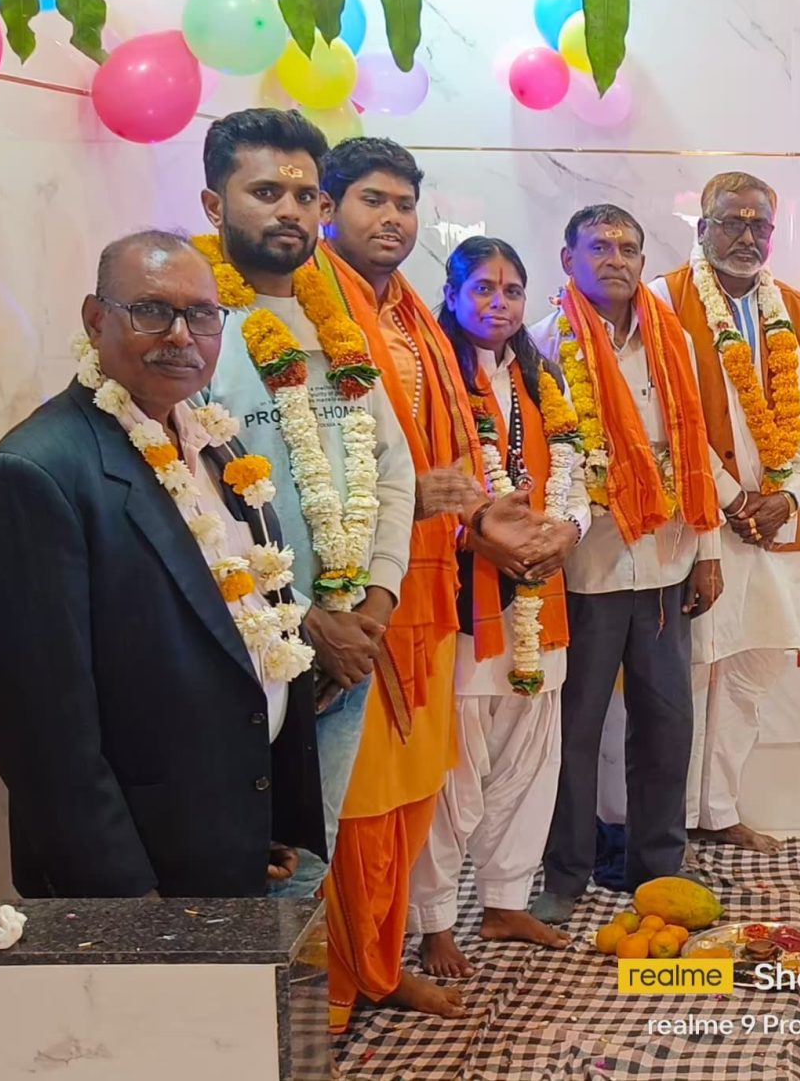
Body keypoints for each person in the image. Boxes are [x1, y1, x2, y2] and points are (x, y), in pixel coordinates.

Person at [0, 231, 320, 898]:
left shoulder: (212, 440)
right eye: (152, 310)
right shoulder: (38, 473)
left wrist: (264, 817)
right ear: (96, 319)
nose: (181, 336)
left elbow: (243, 629)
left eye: (202, 314)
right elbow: (43, 735)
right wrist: (128, 904)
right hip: (140, 870)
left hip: (229, 833)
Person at [315, 140, 575, 1024]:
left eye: (404, 204)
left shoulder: (417, 324)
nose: (392, 218)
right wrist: (446, 514)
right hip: (374, 594)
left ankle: (392, 955)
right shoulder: (317, 310)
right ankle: (361, 968)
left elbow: (459, 459)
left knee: (428, 784)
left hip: (440, 583)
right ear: (330, 209)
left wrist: (514, 524)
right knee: (383, 793)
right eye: (372, 200)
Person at [196, 110, 418, 904]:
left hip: (347, 646)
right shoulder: (196, 328)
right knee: (241, 869)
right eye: (265, 191)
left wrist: (373, 608)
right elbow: (192, 504)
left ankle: (304, 991)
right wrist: (301, 620)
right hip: (242, 652)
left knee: (309, 859)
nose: (289, 210)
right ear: (214, 205)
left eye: (304, 194)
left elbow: (393, 470)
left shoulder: (339, 323)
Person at [533, 204, 725, 923]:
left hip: (668, 561)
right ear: (568, 259)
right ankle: (565, 874)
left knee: (667, 724)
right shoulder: (544, 342)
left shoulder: (671, 338)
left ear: (643, 261)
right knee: (575, 728)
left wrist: (708, 552)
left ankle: (658, 866)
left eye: (628, 248)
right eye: (599, 247)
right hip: (586, 568)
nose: (615, 259)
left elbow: (694, 443)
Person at [410, 236, 590, 980]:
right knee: (456, 770)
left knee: (531, 756)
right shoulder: (430, 374)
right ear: (452, 295)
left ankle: (506, 900)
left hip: (541, 595)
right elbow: (417, 483)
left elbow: (577, 471)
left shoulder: (541, 378)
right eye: (482, 288)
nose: (499, 303)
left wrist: (569, 531)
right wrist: (483, 539)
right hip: (465, 597)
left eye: (512, 290)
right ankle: (433, 920)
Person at [654, 172, 800, 854]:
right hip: (701, 522)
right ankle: (673, 820)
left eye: (760, 224)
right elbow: (669, 417)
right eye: (732, 221)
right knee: (693, 671)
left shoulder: (792, 309)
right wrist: (732, 497)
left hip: (775, 525)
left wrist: (787, 495)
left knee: (751, 669)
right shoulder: (665, 300)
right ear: (702, 227)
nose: (747, 236)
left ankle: (719, 810)